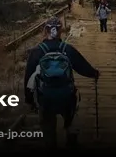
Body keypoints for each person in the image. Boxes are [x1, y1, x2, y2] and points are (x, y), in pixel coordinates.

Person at [24, 17, 100, 149]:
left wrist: (29, 99)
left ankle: (51, 144)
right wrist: (94, 73)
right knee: (71, 118)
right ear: (60, 31)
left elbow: (28, 76)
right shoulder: (67, 49)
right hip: (66, 95)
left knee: (48, 126)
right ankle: (71, 141)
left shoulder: (37, 51)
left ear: (45, 30)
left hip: (45, 96)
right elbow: (82, 67)